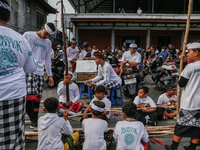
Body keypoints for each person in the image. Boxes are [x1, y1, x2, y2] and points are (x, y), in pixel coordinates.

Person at [0, 1, 37, 149]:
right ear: (9, 19)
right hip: (14, 94)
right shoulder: (21, 39)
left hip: (12, 93)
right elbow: (31, 67)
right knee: (12, 138)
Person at [164, 42, 200, 150]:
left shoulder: (190, 67)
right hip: (199, 103)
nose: (187, 54)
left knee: (180, 126)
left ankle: (173, 147)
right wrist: (185, 63)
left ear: (196, 53)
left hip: (189, 102)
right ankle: (192, 147)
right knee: (197, 127)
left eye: (189, 52)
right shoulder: (190, 66)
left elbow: (181, 83)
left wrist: (184, 66)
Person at [23, 22, 56, 129]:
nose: (46, 37)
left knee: (37, 99)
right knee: (30, 97)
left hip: (40, 72)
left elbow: (47, 60)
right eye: (45, 33)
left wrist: (50, 76)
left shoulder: (48, 43)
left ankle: (35, 120)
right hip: (28, 71)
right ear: (42, 28)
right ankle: (32, 119)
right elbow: (22, 52)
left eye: (49, 36)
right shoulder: (28, 35)